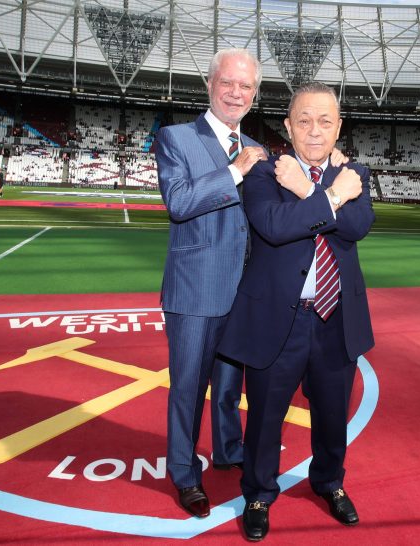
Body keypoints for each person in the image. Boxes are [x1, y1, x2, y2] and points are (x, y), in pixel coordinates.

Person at [218, 82, 375, 542]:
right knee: (266, 415)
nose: (314, 130)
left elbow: (357, 226)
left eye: (325, 120)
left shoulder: (355, 173)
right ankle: (259, 493)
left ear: (339, 127)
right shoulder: (265, 173)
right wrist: (326, 195)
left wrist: (306, 188)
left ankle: (329, 482)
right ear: (287, 126)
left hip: (335, 319)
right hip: (277, 319)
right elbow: (273, 226)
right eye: (303, 120)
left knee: (332, 416)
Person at [155, 48, 268, 519]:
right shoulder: (176, 138)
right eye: (228, 82)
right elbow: (178, 202)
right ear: (209, 83)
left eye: (246, 87)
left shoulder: (258, 148)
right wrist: (235, 170)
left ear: (255, 94)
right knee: (187, 386)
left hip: (242, 290)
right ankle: (184, 473)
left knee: (227, 386)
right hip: (196, 290)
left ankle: (228, 450)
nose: (236, 92)